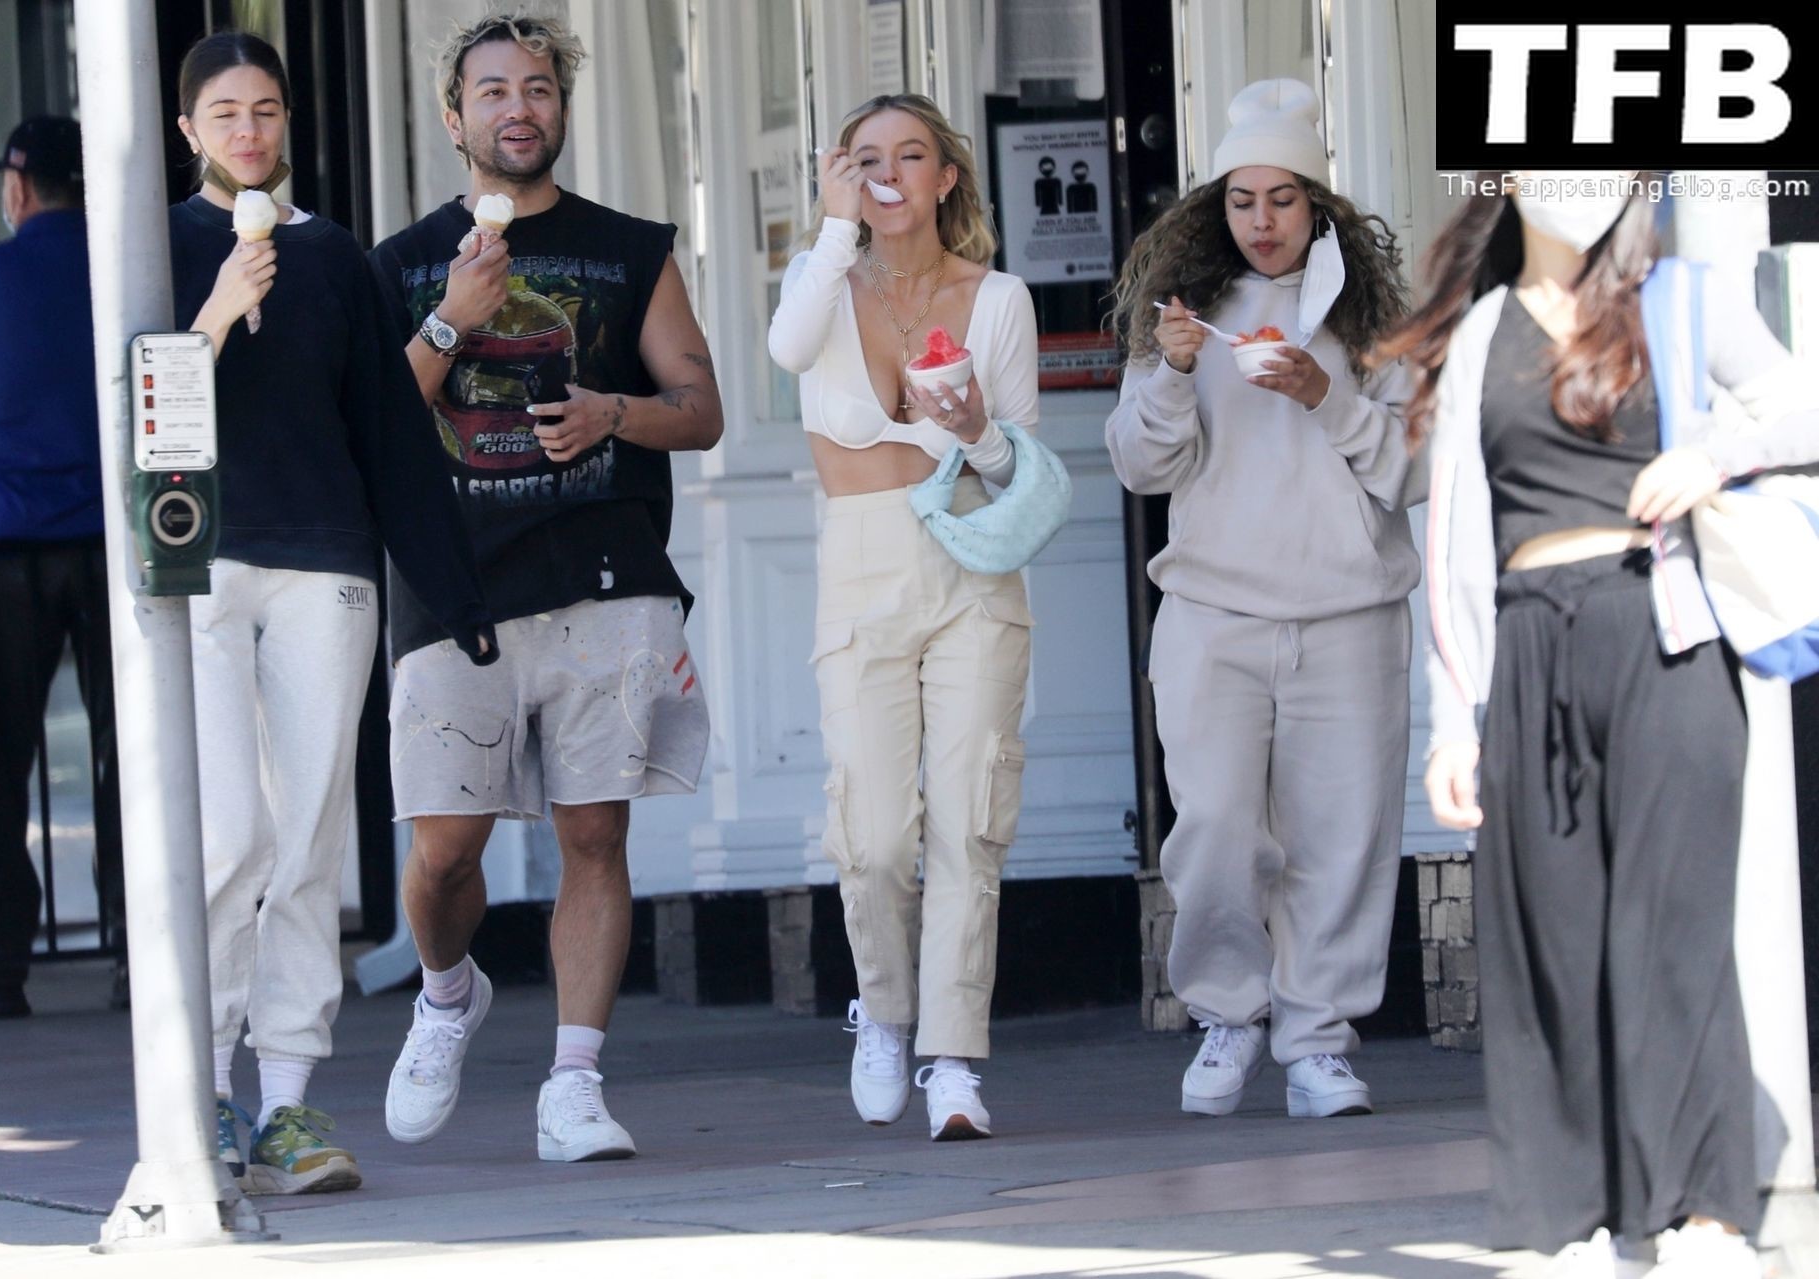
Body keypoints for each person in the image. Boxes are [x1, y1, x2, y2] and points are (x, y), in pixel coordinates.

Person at [1381, 171, 1819, 1277]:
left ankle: (1705, 1218)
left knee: (1674, 934)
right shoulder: (1480, 331)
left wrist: (1712, 456)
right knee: (1551, 939)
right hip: (1531, 643)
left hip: (1665, 632)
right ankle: (1573, 1219)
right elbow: (1454, 546)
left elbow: (1803, 399)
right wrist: (1452, 723)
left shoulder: (1679, 295)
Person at [369, 11, 721, 1164]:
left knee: (595, 834)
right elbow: (370, 429)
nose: (518, 108)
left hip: (604, 574)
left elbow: (701, 410)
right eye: (494, 91)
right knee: (444, 853)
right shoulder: (398, 265)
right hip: (452, 586)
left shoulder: (628, 249)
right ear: (454, 115)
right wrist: (451, 319)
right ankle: (446, 992)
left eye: (537, 87)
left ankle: (575, 1082)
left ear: (561, 105)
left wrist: (614, 412)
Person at [169, 31, 496, 1197]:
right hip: (201, 562)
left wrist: (454, 593)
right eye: (225, 113)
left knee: (310, 832)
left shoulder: (338, 256)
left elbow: (389, 430)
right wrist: (216, 310)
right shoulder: (159, 243)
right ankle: (200, 1088)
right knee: (227, 836)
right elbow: (134, 407)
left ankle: (288, 1103)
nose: (248, 131)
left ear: (287, 121)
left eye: (265, 110)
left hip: (327, 564)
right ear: (188, 130)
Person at [1104, 79, 1416, 1120]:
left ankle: (1318, 1039)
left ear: (1319, 205)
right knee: (1216, 833)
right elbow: (1140, 467)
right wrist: (1171, 375)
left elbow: (1415, 468)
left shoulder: (1369, 319)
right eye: (1243, 200)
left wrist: (1327, 397)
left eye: (1283, 198)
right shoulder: (1184, 313)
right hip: (1213, 611)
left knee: (1344, 839)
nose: (1263, 221)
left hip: (1350, 610)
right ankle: (1228, 1014)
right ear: (1217, 207)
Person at [769, 92, 1039, 1141]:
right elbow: (789, 350)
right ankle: (883, 1011)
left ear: (945, 176)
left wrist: (973, 428)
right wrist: (834, 229)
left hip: (972, 565)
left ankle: (954, 1057)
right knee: (875, 831)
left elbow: (1014, 471)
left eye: (910, 155)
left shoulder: (998, 298)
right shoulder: (821, 280)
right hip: (862, 566)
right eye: (866, 158)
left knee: (971, 819)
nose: (888, 174)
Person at [0, 116, 123, 1022]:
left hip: (5, 546)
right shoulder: (132, 271)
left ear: (17, 187)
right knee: (133, 753)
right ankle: (142, 948)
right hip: (115, 547)